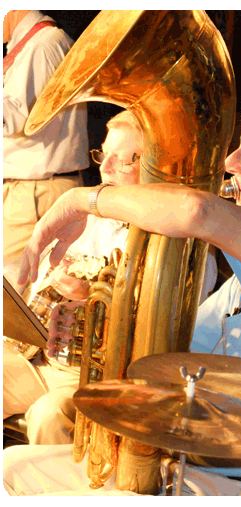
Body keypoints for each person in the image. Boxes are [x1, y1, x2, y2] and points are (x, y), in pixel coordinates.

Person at [5, 100, 241, 495]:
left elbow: (195, 211)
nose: (230, 161)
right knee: (13, 466)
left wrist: (82, 201)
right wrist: (93, 333)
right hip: (200, 472)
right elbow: (163, 362)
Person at [3, 110, 218, 448]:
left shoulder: (182, 250)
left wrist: (91, 299)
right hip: (39, 358)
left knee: (48, 416)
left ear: (157, 168)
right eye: (104, 155)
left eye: (124, 161)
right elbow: (39, 291)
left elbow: (167, 338)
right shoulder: (90, 218)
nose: (105, 168)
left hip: (99, 378)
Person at [3, 10, 89, 290]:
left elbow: (10, 118)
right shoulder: (37, 43)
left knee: (14, 291)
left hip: (37, 192)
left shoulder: (43, 44)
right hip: (32, 189)